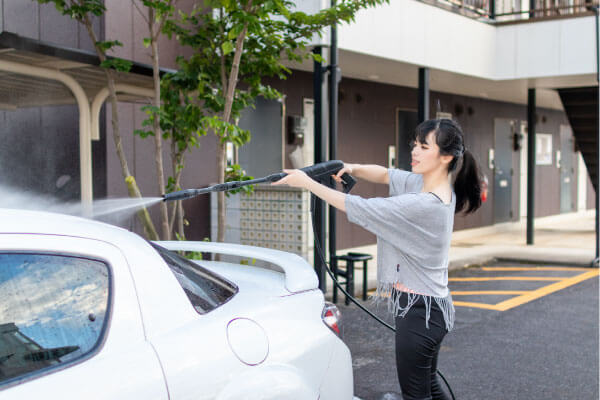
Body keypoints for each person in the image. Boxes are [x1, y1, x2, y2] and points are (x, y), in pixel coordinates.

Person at [271, 118, 483, 400]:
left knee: (416, 394)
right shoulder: (427, 185)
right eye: (415, 145)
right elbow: (385, 174)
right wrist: (352, 168)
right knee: (428, 385)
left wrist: (308, 183)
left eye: (423, 146)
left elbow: (360, 208)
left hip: (420, 314)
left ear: (445, 156)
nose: (415, 152)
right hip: (431, 309)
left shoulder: (424, 203)